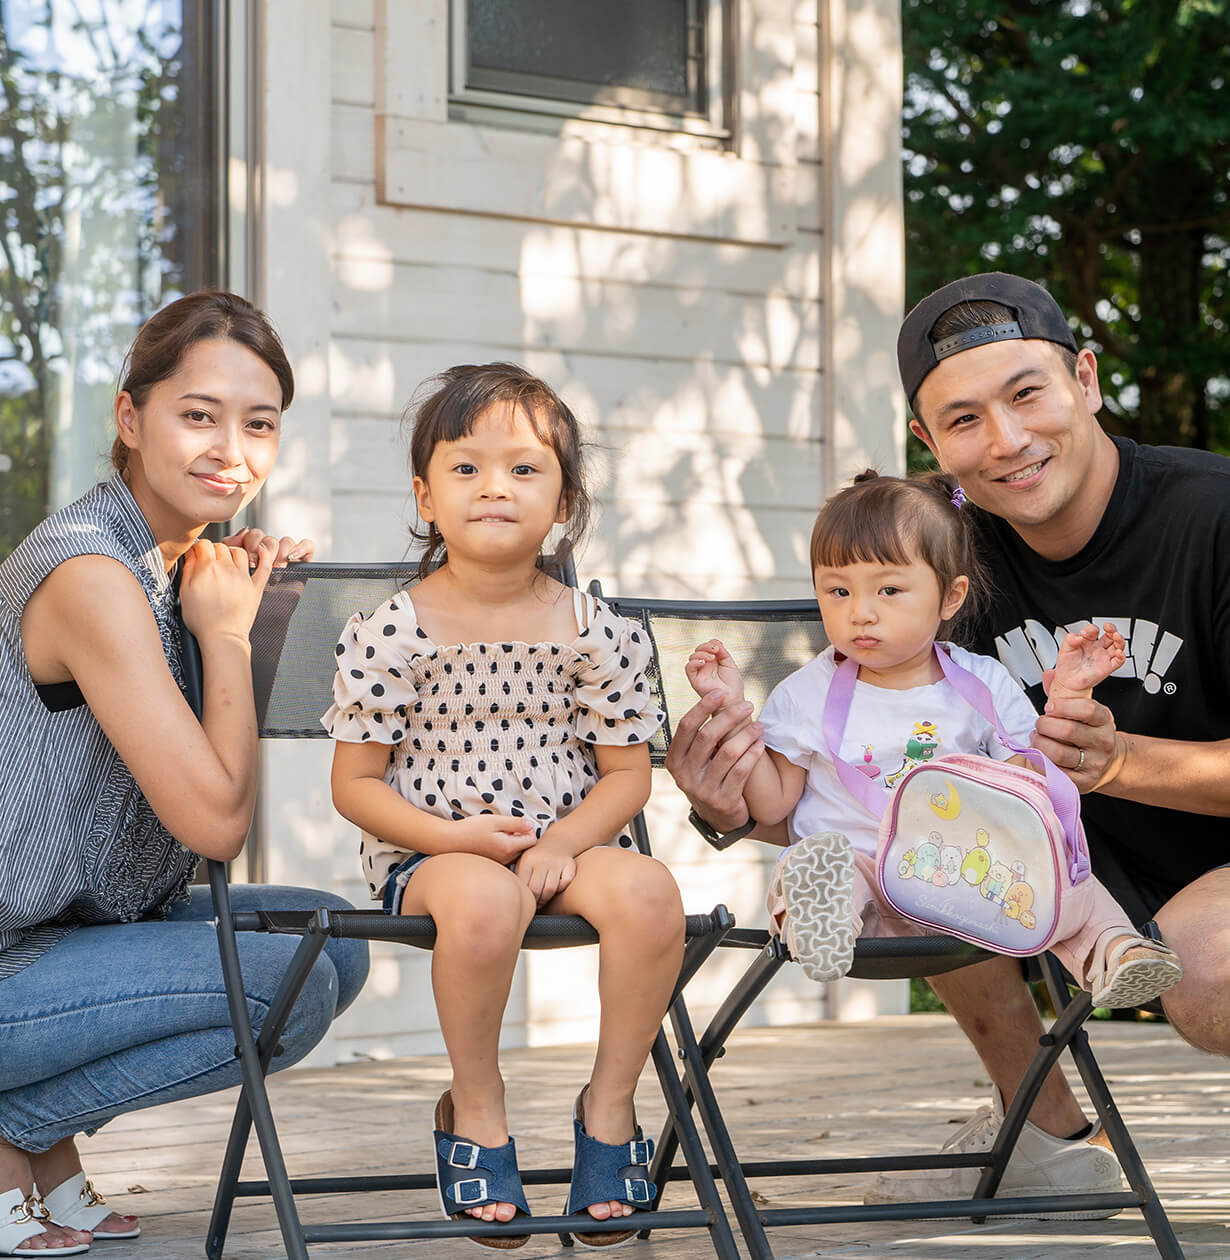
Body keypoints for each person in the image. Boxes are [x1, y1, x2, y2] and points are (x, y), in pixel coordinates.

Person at [667, 270, 1230, 1212]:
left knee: (1210, 980)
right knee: (929, 839)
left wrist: (1123, 760)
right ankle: (1043, 1132)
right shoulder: (926, 557)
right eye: (964, 420)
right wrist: (729, 802)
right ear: (929, 442)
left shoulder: (1210, 514)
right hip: (1040, 855)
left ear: (1085, 380)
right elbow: (859, 783)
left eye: (1027, 395)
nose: (1006, 442)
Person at [0, 292, 369, 1257]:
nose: (230, 448)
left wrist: (246, 601)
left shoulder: (171, 562)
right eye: (197, 414)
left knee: (335, 944)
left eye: (259, 424)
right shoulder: (89, 572)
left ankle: (22, 1132)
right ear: (131, 419)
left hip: (72, 932)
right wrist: (227, 632)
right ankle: (15, 1135)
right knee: (284, 981)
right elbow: (214, 825)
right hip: (11, 954)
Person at [325, 363, 685, 1250]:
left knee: (649, 893)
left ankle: (609, 1106)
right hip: (433, 856)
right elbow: (355, 787)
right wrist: (453, 839)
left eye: (525, 469)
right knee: (485, 899)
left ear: (564, 502)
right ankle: (477, 1108)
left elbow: (627, 777)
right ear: (425, 494)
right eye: (466, 467)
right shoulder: (390, 631)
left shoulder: (599, 630)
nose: (495, 486)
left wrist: (563, 843)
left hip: (562, 844)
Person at [684, 469, 1181, 1015]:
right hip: (868, 883)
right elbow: (775, 802)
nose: (860, 611)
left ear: (950, 596)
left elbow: (1030, 783)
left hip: (970, 877)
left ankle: (1114, 952)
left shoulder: (983, 685)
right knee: (816, 861)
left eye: (889, 590)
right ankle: (818, 921)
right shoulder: (807, 692)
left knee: (1065, 877)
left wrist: (1063, 702)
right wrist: (733, 714)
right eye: (838, 590)